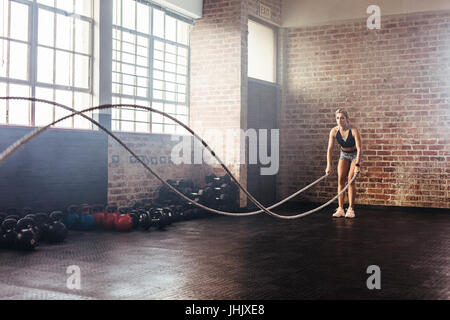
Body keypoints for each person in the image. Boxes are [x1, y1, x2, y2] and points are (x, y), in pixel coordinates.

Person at [325, 109, 362, 218]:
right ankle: (340, 208)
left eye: (342, 118)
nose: (339, 120)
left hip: (355, 154)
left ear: (347, 119)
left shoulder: (354, 130)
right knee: (341, 179)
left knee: (350, 180)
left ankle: (351, 209)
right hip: (344, 154)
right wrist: (328, 165)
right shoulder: (334, 131)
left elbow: (359, 149)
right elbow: (330, 149)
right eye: (337, 118)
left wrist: (357, 165)